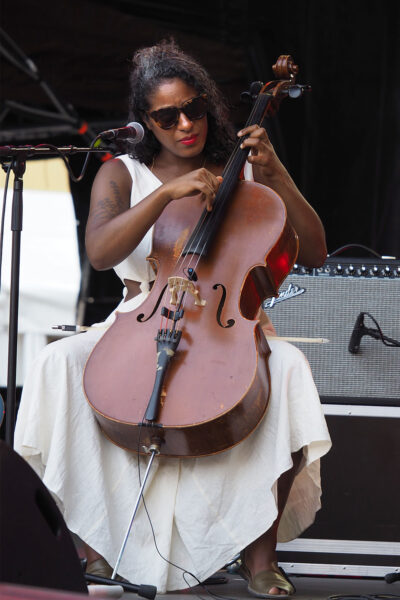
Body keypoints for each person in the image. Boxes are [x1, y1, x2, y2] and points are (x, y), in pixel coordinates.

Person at [14, 40, 331, 597]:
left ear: (209, 105)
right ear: (145, 122)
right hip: (142, 314)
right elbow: (102, 252)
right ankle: (91, 547)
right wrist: (164, 198)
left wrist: (275, 171)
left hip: (225, 322)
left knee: (288, 370)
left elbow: (315, 252)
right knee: (56, 362)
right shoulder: (122, 173)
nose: (186, 124)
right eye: (167, 116)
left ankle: (261, 558)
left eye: (195, 109)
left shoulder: (241, 172)